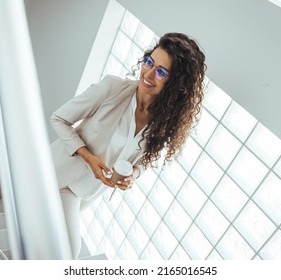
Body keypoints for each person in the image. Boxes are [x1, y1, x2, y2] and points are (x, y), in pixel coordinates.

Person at [50, 32, 207, 259]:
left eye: (161, 72)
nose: (149, 73)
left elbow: (144, 158)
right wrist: (89, 157)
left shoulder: (163, 121)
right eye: (149, 62)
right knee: (68, 255)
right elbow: (59, 119)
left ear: (175, 85)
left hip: (90, 193)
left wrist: (134, 173)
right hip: (62, 181)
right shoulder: (112, 88)